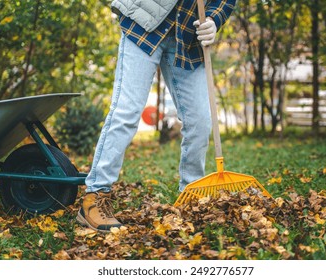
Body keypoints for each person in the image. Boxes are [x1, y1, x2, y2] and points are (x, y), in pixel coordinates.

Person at [76, 0, 236, 232]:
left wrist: (213, 19)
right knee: (126, 112)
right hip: (144, 23)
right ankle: (95, 197)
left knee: (201, 120)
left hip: (187, 35)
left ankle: (189, 196)